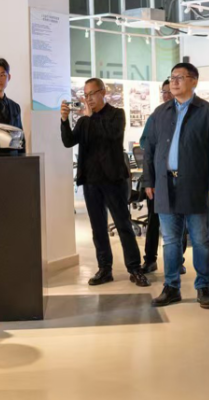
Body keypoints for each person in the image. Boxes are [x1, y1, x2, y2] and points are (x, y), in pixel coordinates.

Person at [142, 62, 209, 309]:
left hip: (195, 184)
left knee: (200, 239)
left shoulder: (208, 111)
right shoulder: (161, 112)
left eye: (180, 77)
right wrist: (149, 180)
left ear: (194, 81)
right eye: (172, 77)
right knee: (170, 240)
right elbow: (149, 149)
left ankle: (203, 287)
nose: (174, 82)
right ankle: (171, 287)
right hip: (165, 184)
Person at [61, 78, 149, 288]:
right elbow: (68, 141)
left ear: (103, 92)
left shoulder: (116, 114)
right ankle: (104, 269)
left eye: (92, 94)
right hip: (91, 181)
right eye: (85, 95)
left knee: (123, 225)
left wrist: (90, 117)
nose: (88, 98)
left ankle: (134, 268)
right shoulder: (84, 120)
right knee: (98, 228)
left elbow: (111, 135)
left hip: (113, 180)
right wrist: (64, 120)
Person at [140, 79, 187, 274]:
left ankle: (178, 260)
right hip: (158, 178)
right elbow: (145, 144)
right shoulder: (157, 115)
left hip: (181, 178)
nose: (167, 95)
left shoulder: (187, 113)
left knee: (180, 222)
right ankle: (150, 259)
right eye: (164, 92)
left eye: (170, 91)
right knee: (154, 220)